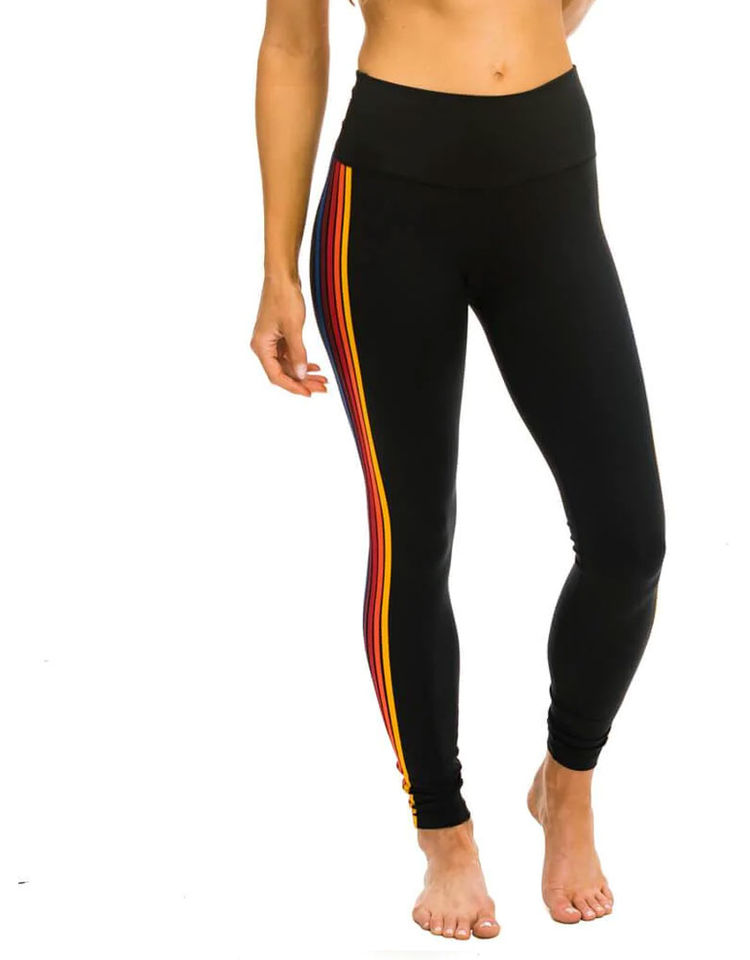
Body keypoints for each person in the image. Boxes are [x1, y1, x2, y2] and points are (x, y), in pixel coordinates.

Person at [250, 0, 666, 941]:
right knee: (414, 540)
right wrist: (278, 267)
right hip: (390, 199)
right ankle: (443, 829)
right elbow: (292, 41)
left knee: (629, 540)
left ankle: (567, 782)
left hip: (549, 174)